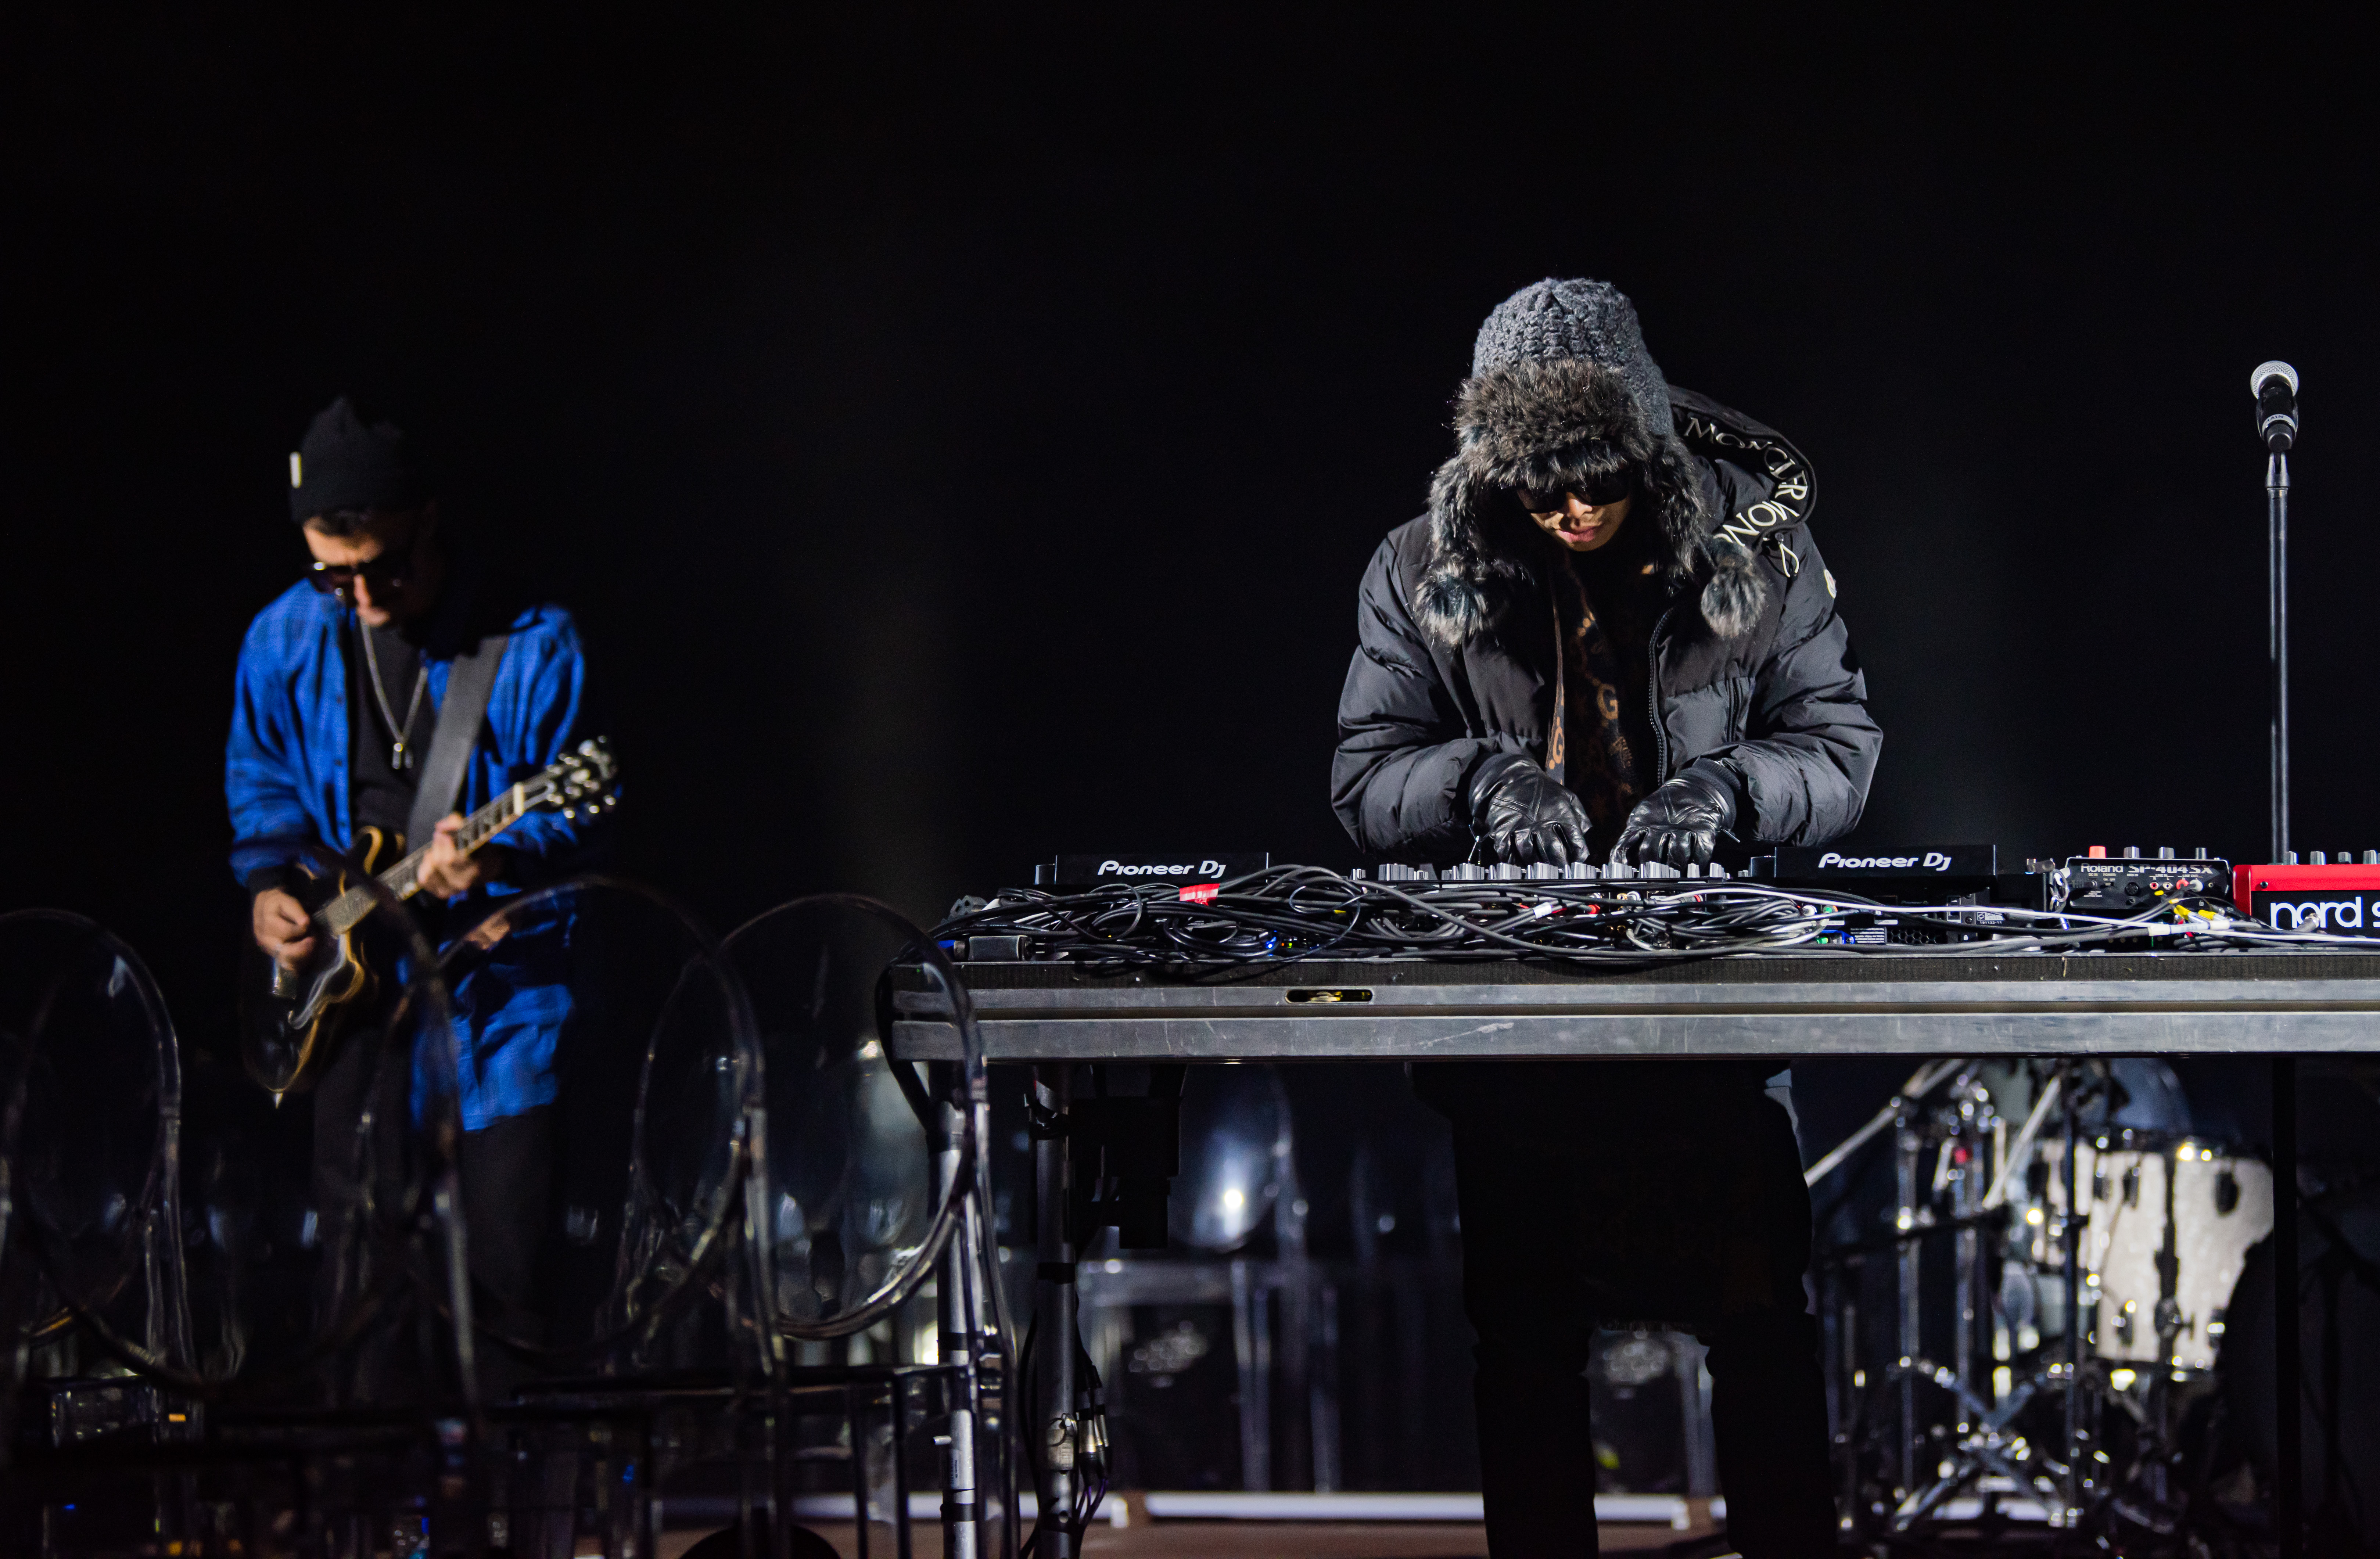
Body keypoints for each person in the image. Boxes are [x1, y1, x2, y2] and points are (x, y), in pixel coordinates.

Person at [1331, 280, 1881, 1557]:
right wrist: (1480, 779)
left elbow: (1841, 746)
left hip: (1707, 1031)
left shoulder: (1757, 544)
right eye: (1541, 490)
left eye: (1600, 482)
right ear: (1496, 472)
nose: (1573, 511)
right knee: (1521, 1348)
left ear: (1650, 453)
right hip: (1519, 1036)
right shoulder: (1419, 567)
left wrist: (1731, 786)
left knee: (1759, 1325)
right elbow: (1366, 773)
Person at [227, 395, 605, 1353]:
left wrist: (501, 854)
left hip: (496, 1000)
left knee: (504, 1286)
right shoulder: (281, 635)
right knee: (360, 1295)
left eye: (381, 567)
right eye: (331, 573)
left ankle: (509, 1498)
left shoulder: (532, 641)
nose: (357, 594)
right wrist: (272, 885)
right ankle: (374, 1499)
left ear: (429, 519)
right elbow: (262, 778)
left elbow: (575, 806)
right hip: (352, 1000)